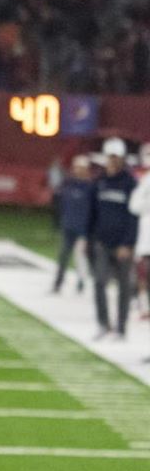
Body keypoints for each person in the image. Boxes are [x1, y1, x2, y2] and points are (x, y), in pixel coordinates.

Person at [90, 138, 137, 342]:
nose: (113, 161)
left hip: (122, 245)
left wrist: (128, 243)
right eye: (110, 157)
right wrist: (91, 237)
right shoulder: (99, 182)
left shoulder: (130, 183)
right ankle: (103, 324)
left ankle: (121, 327)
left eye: (116, 157)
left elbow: (134, 216)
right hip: (102, 242)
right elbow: (93, 213)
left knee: (123, 287)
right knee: (99, 282)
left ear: (122, 158)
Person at [54, 154, 94, 293]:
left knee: (80, 257)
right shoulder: (68, 184)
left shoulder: (90, 188)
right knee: (63, 255)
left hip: (83, 229)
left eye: (81, 167)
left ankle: (81, 282)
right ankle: (58, 282)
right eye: (76, 167)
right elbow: (62, 205)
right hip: (68, 226)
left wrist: (89, 229)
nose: (78, 170)